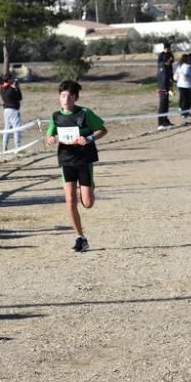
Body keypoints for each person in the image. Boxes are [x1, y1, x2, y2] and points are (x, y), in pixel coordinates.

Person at [44, 80, 108, 253]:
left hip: (84, 160)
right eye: (63, 95)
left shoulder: (84, 113)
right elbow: (50, 134)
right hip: (66, 160)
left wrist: (89, 139)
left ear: (76, 98)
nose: (66, 99)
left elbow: (102, 130)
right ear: (59, 97)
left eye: (70, 96)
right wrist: (50, 139)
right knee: (70, 200)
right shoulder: (56, 116)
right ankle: (80, 237)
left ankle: (90, 187)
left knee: (87, 203)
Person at [0, 73, 22, 151]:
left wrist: (13, 86)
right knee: (16, 129)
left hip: (6, 110)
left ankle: (4, 146)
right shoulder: (11, 89)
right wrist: (17, 88)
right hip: (13, 110)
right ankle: (18, 147)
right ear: (9, 80)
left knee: (7, 129)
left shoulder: (1, 88)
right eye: (11, 79)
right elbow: (19, 97)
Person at [174, 53, 191, 122]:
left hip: (180, 85)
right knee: (185, 99)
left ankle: (183, 111)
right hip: (186, 85)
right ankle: (184, 113)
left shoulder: (180, 66)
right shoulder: (186, 66)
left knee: (183, 98)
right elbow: (186, 74)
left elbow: (176, 75)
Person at [156, 53, 174, 130]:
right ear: (167, 59)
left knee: (166, 105)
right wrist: (165, 90)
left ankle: (165, 121)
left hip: (166, 89)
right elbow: (163, 81)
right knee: (162, 106)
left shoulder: (166, 67)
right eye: (170, 59)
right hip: (163, 89)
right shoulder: (163, 68)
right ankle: (160, 123)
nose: (171, 61)